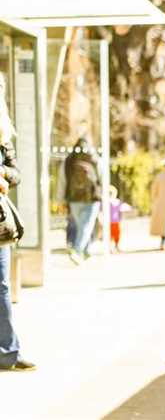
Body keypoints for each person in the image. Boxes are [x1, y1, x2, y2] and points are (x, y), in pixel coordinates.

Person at [0, 89, 34, 371]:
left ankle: (8, 352)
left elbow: (16, 172)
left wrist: (3, 176)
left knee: (1, 286)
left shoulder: (2, 135)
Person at [64, 137, 101, 265]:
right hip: (92, 197)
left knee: (82, 226)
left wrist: (61, 197)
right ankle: (77, 250)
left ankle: (86, 251)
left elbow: (63, 180)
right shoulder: (94, 158)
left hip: (73, 198)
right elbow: (101, 177)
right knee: (86, 226)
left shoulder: (69, 159)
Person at [108, 185, 131, 253]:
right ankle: (110, 248)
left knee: (117, 235)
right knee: (109, 236)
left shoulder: (117, 202)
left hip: (116, 221)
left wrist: (121, 218)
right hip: (109, 222)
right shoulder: (106, 202)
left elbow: (122, 209)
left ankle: (117, 246)